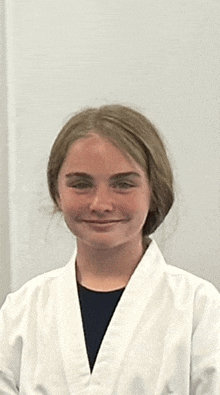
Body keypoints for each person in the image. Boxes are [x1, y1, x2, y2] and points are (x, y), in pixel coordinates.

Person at [0, 104, 219, 394]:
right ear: (57, 193)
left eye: (123, 184)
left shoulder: (198, 309)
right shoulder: (21, 311)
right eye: (81, 184)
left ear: (154, 192)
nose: (100, 204)